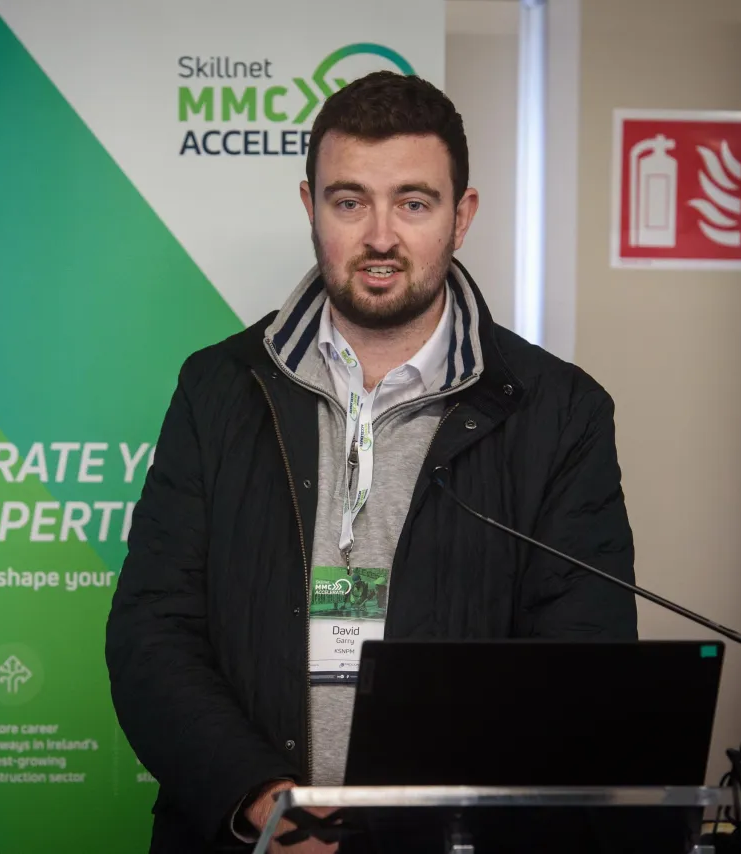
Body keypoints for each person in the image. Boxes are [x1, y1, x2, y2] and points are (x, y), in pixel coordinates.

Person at [105, 70, 637, 853]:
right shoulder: (218, 388)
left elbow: (582, 660)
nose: (381, 237)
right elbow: (152, 632)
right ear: (310, 207)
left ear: (462, 216)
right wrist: (262, 801)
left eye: (413, 203)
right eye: (349, 202)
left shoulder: (559, 412)